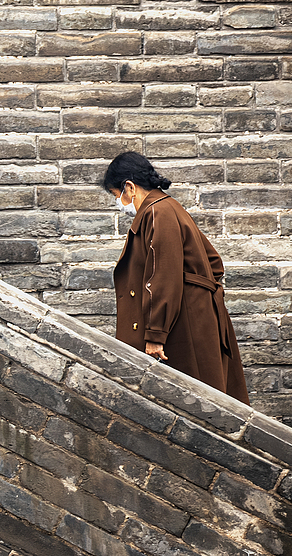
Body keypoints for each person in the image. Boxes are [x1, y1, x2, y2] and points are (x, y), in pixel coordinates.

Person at [103, 152, 248, 403]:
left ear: (129, 187)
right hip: (190, 320)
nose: (119, 203)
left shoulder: (159, 212)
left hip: (185, 327)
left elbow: (162, 277)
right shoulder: (165, 208)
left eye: (117, 196)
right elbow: (213, 264)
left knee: (200, 406)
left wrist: (155, 334)